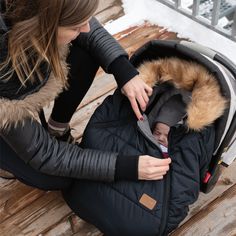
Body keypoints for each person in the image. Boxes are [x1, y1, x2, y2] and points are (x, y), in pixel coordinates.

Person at [0, 0, 171, 189]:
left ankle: (56, 130)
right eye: (75, 26)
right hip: (6, 98)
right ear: (44, 26)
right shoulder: (6, 78)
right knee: (54, 178)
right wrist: (126, 166)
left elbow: (84, 23)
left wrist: (124, 71)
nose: (87, 27)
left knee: (86, 48)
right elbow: (44, 155)